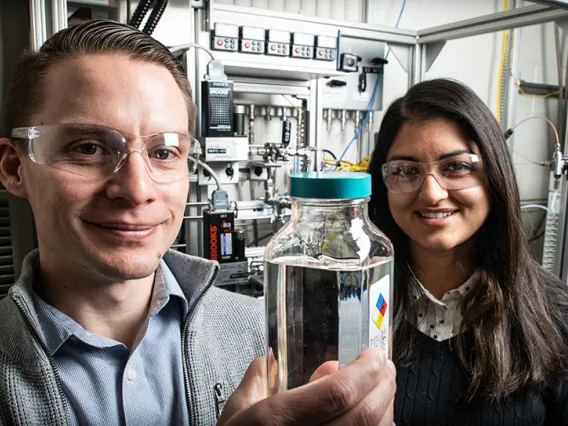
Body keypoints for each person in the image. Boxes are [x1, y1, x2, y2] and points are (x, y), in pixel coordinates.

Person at [0, 20, 396, 425]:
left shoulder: (267, 334)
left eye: (164, 151)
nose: (138, 190)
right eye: (88, 148)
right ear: (15, 167)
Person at [368, 78, 568, 425]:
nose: (431, 194)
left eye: (456, 167)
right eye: (406, 170)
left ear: (494, 175)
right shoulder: (359, 307)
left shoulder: (558, 316)